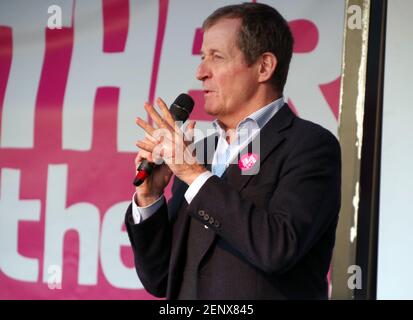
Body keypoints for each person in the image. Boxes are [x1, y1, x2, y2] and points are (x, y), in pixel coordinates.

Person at [125, 3, 341, 300]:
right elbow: (161, 277)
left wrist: (193, 174)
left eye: (216, 57)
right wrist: (150, 198)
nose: (201, 72)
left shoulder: (310, 146)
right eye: (202, 58)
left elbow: (278, 248)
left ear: (264, 66)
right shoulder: (201, 153)